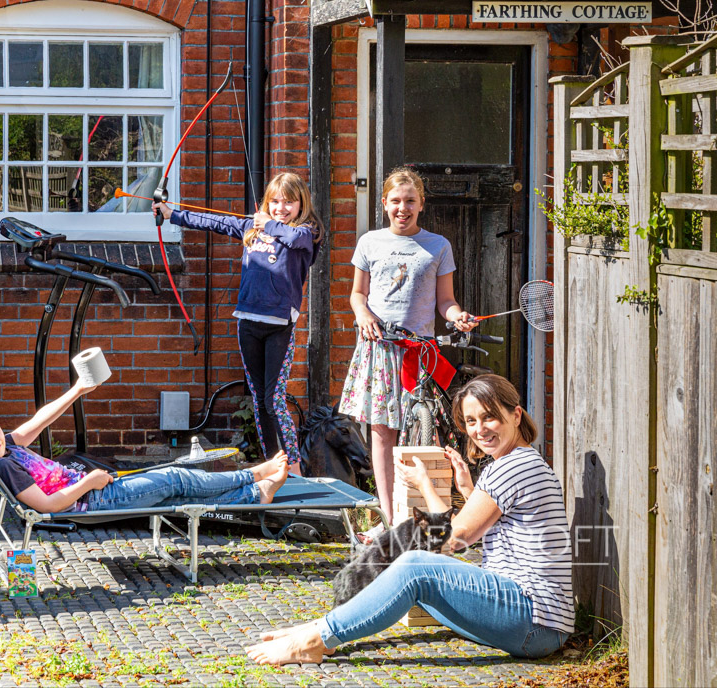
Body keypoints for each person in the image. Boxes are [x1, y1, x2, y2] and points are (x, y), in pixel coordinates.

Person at [247, 374, 574, 665]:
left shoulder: (511, 467)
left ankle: (317, 640)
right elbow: (491, 525)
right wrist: (469, 488)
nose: (479, 430)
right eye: (471, 421)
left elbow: (456, 538)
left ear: (515, 415)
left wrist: (424, 485)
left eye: (489, 418)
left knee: (415, 566)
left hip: (533, 621)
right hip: (538, 625)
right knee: (412, 579)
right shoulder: (520, 462)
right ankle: (322, 627)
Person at [152, 172, 323, 475]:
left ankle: (294, 466)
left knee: (275, 400)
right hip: (247, 321)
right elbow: (214, 221)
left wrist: (268, 223)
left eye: (289, 202)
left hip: (279, 325)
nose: (281, 207)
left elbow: (294, 238)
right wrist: (171, 214)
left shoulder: (304, 233)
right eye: (275, 201)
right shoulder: (252, 229)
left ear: (301, 205)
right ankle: (274, 463)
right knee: (258, 398)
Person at [337, 167, 475, 533]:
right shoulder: (369, 242)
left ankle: (414, 513)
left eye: (410, 201)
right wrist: (363, 314)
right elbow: (357, 294)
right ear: (384, 204)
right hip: (380, 349)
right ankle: (387, 515)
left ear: (422, 204)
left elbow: (446, 301)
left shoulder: (437, 246)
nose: (403, 208)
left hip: (419, 351)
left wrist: (458, 316)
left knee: (422, 431)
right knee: (382, 433)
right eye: (396, 201)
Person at [0, 391, 291, 513]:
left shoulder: (9, 446)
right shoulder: (6, 468)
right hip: (94, 499)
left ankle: (254, 493)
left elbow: (40, 419)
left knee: (174, 500)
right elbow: (48, 507)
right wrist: (90, 483)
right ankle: (252, 474)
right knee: (174, 478)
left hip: (96, 489)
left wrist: (78, 389)